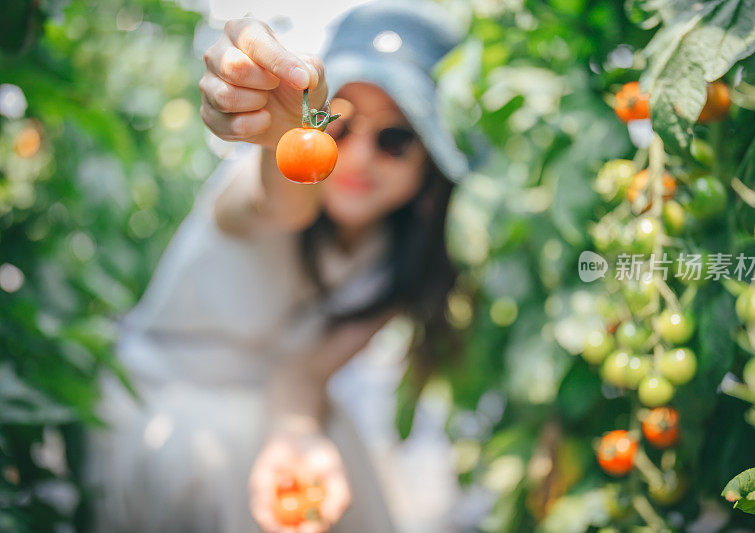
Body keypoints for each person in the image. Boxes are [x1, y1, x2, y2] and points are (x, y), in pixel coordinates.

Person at [84, 1, 470, 532]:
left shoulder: (397, 265)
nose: (357, 157)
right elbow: (282, 202)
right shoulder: (249, 197)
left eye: (395, 138)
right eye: (337, 125)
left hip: (273, 409)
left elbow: (303, 372)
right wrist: (281, 140)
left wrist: (298, 436)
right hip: (165, 409)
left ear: (430, 158)